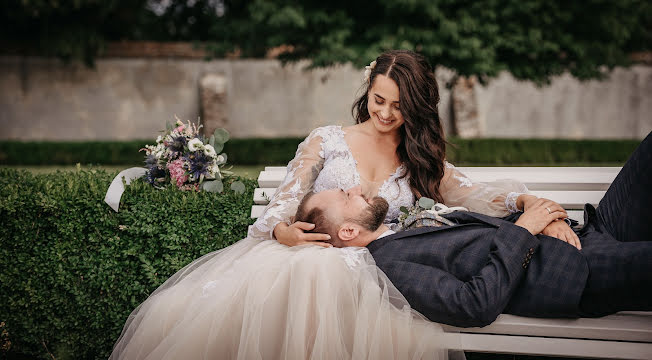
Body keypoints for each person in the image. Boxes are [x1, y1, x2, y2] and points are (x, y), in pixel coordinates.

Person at [110, 50, 565, 359]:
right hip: (314, 260)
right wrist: (280, 230)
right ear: (368, 89)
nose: (385, 114)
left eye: (399, 107)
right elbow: (285, 199)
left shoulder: (417, 155)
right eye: (378, 100)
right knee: (309, 281)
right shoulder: (327, 140)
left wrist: (521, 199)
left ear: (417, 108)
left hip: (383, 272)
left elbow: (469, 191)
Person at [294, 131, 652, 327]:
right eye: (345, 195)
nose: (356, 188)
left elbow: (479, 204)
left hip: (587, 232)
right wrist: (525, 230)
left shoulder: (397, 229)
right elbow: (474, 305)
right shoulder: (392, 268)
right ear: (347, 234)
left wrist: (539, 215)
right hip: (576, 269)